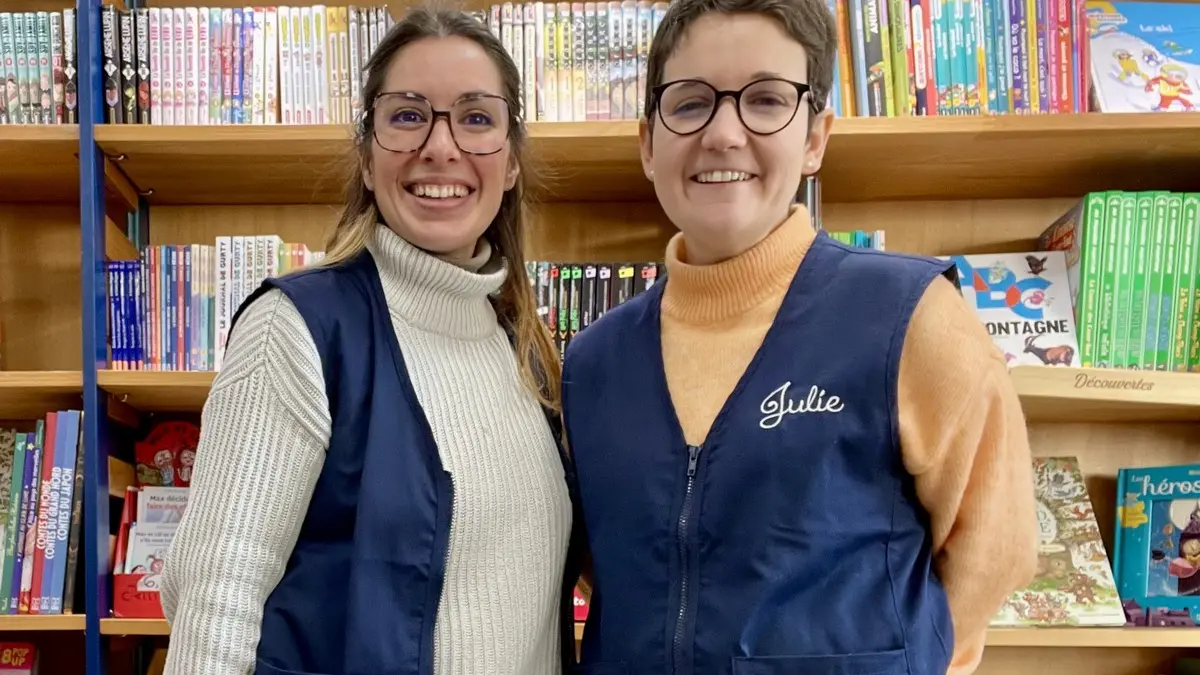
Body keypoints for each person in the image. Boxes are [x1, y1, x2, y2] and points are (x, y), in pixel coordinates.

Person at [560, 0, 1039, 673]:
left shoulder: (910, 318)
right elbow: (601, 564)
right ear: (647, 141)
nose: (724, 133)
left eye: (765, 100)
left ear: (815, 136)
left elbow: (994, 549)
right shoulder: (594, 362)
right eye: (691, 102)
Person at [159, 7, 583, 675]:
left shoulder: (529, 356)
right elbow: (216, 598)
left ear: (510, 164)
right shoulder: (297, 327)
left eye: (476, 118)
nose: (441, 147)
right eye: (408, 115)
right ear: (366, 156)